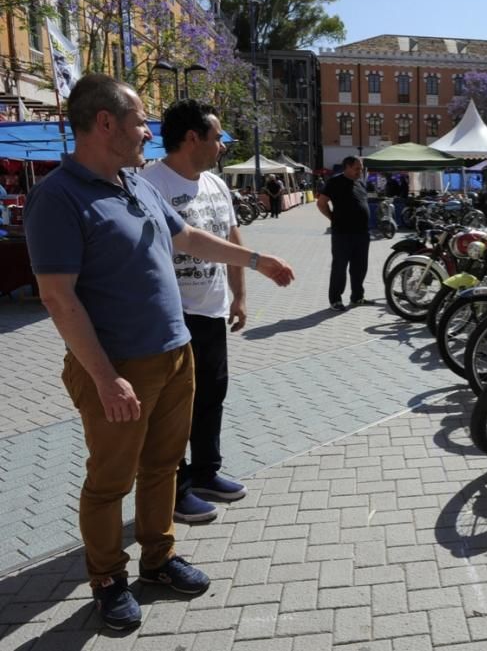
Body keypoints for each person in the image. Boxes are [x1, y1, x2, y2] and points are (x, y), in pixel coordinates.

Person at [23, 74, 294, 631]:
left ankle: (158, 558)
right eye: (139, 120)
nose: (148, 130)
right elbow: (57, 296)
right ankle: (107, 579)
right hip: (117, 368)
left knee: (164, 467)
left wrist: (256, 260)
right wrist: (102, 377)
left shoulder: (135, 184)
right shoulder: (58, 197)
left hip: (177, 352)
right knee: (109, 482)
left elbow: (187, 237)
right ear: (105, 124)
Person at [140, 99, 247, 525]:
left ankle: (206, 472)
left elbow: (230, 234)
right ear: (192, 138)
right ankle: (176, 489)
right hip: (171, 318)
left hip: (212, 311)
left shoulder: (215, 184)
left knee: (211, 396)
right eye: (216, 136)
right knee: (172, 410)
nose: (221, 145)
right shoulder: (151, 184)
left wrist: (239, 295)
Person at [316, 156, 371, 310]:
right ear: (346, 167)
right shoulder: (334, 182)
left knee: (360, 267)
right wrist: (332, 218)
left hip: (362, 233)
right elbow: (321, 203)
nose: (360, 172)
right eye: (356, 169)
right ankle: (335, 300)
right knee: (340, 267)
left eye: (361, 168)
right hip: (342, 233)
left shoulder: (360, 182)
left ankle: (357, 297)